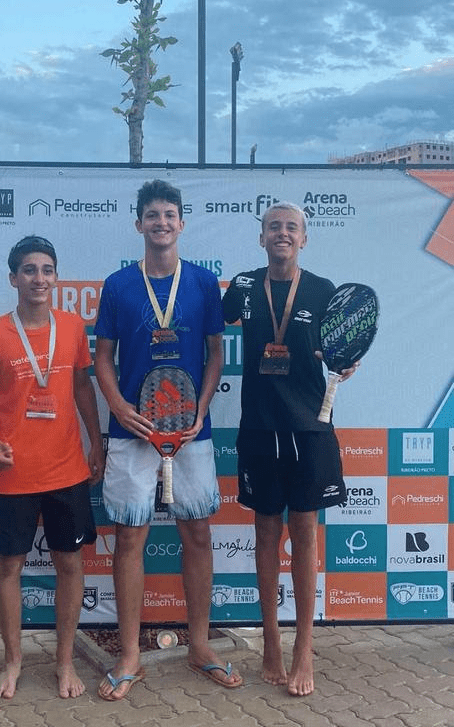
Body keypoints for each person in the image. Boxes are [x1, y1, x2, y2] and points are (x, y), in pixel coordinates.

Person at [94, 179, 243, 701]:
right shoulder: (117, 286)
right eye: (152, 215)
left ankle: (200, 646)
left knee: (197, 535)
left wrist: (201, 408)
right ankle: (131, 654)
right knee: (130, 539)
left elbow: (216, 355)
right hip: (131, 431)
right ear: (138, 224)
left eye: (169, 215)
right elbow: (102, 358)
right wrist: (117, 406)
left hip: (190, 432)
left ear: (182, 223)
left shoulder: (204, 284)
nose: (161, 222)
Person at [222, 202, 357, 696]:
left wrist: (346, 363)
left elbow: (341, 346)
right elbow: (211, 327)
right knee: (264, 533)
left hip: (309, 428)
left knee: (304, 533)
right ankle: (272, 643)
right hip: (258, 427)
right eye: (273, 227)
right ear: (261, 239)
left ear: (304, 239)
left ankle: (304, 648)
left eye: (291, 228)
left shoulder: (324, 291)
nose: (282, 234)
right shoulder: (241, 286)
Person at [0, 235, 104, 700]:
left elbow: (84, 387)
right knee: (9, 566)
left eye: (46, 269)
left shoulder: (73, 328)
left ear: (56, 278)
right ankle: (13, 661)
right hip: (13, 474)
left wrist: (96, 441)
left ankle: (64, 663)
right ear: (13, 278)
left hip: (67, 471)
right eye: (29, 270)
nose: (38, 278)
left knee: (69, 564)